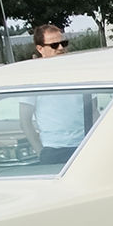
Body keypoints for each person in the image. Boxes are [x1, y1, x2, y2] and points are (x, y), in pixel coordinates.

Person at [21, 24, 87, 166]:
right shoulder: (32, 79)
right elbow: (24, 120)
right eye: (54, 45)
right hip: (54, 150)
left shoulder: (80, 74)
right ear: (40, 49)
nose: (61, 48)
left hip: (85, 146)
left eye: (63, 43)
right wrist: (40, 152)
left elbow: (93, 112)